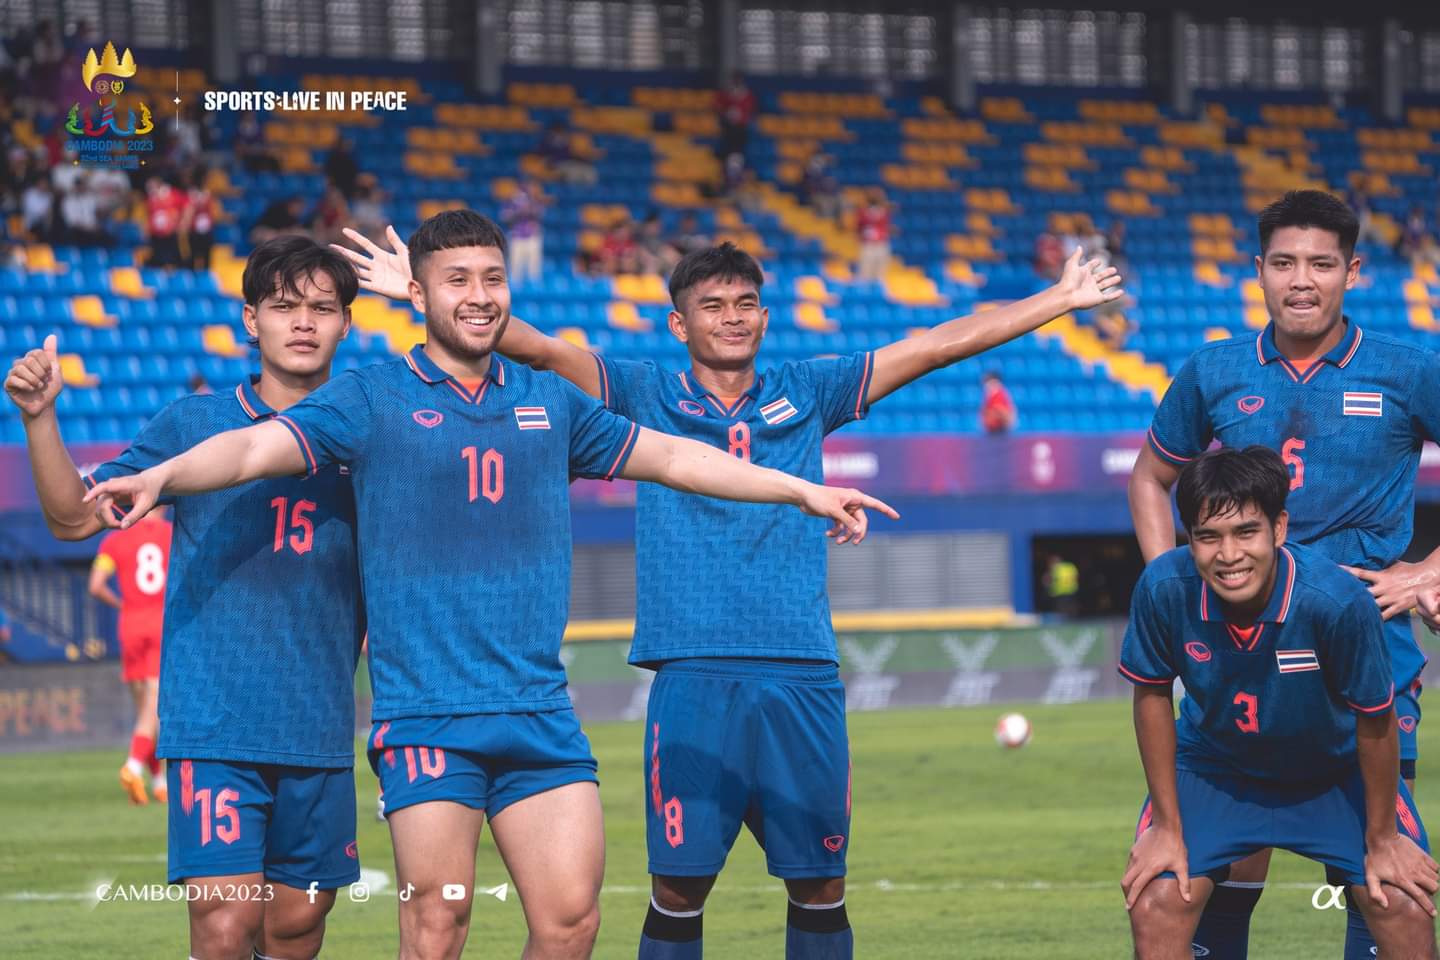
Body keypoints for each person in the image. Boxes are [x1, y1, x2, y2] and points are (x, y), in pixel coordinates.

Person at [91, 209, 898, 960]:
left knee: (572, 921)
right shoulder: (369, 398)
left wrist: (801, 490)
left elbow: (676, 456)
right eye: (457, 280)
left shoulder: (551, 402)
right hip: (427, 716)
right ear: (417, 296)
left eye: (492, 278)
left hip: (538, 713)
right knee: (438, 922)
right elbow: (249, 449)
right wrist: (163, 475)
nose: (478, 296)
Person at [334, 226, 1121, 958]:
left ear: (766, 317)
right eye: (712, 305)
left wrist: (1057, 300)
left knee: (820, 885)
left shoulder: (810, 390)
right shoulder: (640, 392)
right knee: (678, 890)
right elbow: (533, 345)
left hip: (801, 673)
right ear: (679, 324)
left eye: (746, 303)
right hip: (691, 676)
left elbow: (936, 346)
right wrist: (423, 293)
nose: (733, 317)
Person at [5, 236, 366, 960]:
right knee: (224, 927)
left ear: (345, 324)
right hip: (213, 723)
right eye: (284, 306)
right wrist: (40, 418)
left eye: (323, 308)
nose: (303, 322)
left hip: (318, 725)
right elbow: (73, 519)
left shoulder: (372, 430)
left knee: (295, 929)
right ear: (250, 320)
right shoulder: (192, 423)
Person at [1129, 189, 1440, 960]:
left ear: (1353, 272)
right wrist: (1176, 586)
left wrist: (1426, 573)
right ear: (1258, 270)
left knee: (1380, 879)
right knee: (1226, 870)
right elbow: (1149, 479)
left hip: (1367, 642)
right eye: (1284, 263)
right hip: (1238, 651)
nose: (1302, 280)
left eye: (1321, 264)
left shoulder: (1408, 371)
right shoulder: (1215, 369)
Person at [1120, 446, 1439, 958]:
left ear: (1279, 528)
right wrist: (1166, 827)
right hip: (1216, 767)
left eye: (1246, 532)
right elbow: (1152, 695)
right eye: (1209, 536)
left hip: (1334, 770)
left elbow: (1375, 719)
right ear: (1190, 539)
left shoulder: (1335, 601)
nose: (1229, 554)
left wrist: (1382, 839)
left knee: (1403, 901)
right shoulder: (1163, 588)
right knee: (1156, 899)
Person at [89, 508, 173, 805]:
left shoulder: (114, 540)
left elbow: (95, 586)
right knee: (153, 707)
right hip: (161, 623)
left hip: (130, 625)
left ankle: (159, 783)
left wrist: (121, 604)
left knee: (144, 711)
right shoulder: (172, 535)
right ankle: (133, 766)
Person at [501, 177, 545, 286]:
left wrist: (529, 209)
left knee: (534, 268)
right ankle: (515, 287)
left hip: (532, 235)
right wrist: (518, 212)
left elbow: (540, 213)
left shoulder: (533, 200)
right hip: (516, 236)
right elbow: (505, 216)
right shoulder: (511, 201)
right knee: (515, 267)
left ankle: (535, 288)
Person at [854, 189, 893, 282]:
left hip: (881, 244)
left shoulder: (885, 211)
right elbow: (858, 227)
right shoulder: (862, 212)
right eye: (873, 196)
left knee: (880, 274)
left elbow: (886, 225)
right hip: (868, 244)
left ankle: (877, 288)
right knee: (865, 273)